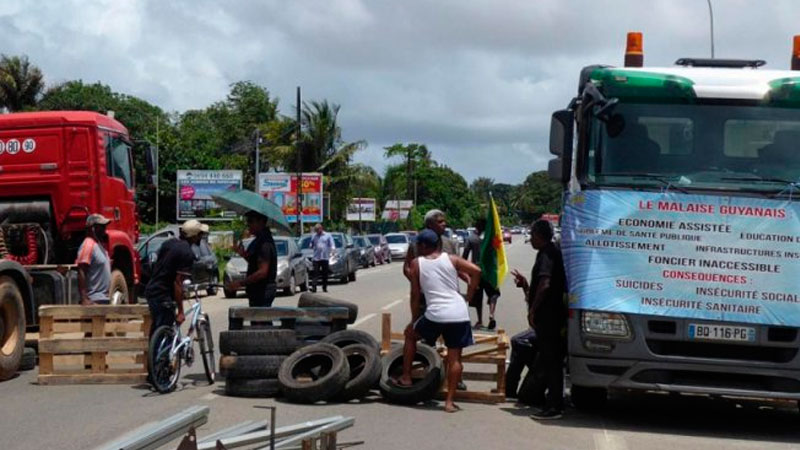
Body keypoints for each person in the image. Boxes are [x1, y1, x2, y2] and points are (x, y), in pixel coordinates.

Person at [398, 230, 481, 413]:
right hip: (459, 313)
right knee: (454, 358)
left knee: (410, 335)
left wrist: (413, 320)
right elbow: (476, 271)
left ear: (424, 246)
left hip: (436, 314)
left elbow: (414, 295)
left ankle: (406, 377)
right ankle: (449, 402)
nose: (417, 248)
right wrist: (470, 294)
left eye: (418, 245)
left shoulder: (416, 263)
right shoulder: (452, 259)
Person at [511, 219, 567, 420]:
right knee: (548, 360)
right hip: (550, 316)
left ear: (539, 235)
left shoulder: (547, 255)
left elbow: (545, 284)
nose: (531, 239)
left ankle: (554, 406)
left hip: (549, 317)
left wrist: (533, 310)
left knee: (552, 361)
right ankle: (548, 400)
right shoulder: (548, 253)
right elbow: (538, 286)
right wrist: (526, 286)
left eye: (532, 235)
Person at [144, 220, 202, 339]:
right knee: (165, 331)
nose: (201, 237)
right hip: (163, 293)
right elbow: (178, 282)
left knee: (158, 328)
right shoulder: (187, 253)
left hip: (152, 290)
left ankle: (155, 355)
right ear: (194, 236)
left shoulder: (169, 243)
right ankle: (162, 356)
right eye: (200, 234)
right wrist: (181, 311)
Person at [227, 211, 278, 307]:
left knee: (260, 320)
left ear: (261, 222)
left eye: (251, 221)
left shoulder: (265, 243)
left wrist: (240, 283)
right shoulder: (258, 240)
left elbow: (262, 272)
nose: (248, 225)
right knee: (258, 320)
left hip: (262, 291)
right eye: (247, 222)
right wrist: (243, 254)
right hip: (256, 291)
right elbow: (255, 262)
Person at [461, 218, 501, 330]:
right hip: (488, 271)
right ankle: (491, 314)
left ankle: (479, 320)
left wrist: (466, 271)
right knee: (493, 293)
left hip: (476, 271)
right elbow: (498, 250)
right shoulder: (490, 239)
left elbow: (464, 257)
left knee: (478, 297)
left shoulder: (471, 238)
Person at [76, 214, 112, 305]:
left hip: (104, 298)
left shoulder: (99, 245)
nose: (104, 229)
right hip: (94, 299)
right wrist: (84, 298)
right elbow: (81, 270)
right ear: (92, 228)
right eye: (101, 227)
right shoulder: (88, 244)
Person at [309, 224, 334, 293]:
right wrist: (311, 245)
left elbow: (332, 244)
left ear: (321, 228)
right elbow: (311, 244)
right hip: (316, 258)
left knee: (325, 273)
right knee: (315, 273)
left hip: (325, 257)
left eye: (318, 230)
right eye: (316, 230)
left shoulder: (328, 235)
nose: (317, 232)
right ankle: (314, 288)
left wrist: (332, 251)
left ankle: (324, 287)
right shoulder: (314, 236)